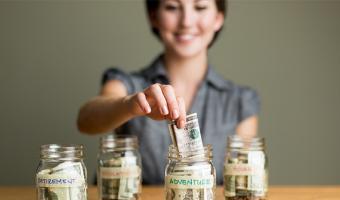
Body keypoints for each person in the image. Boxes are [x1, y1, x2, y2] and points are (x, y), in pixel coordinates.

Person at [77, 0, 260, 185]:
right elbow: (85, 120)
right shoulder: (127, 84)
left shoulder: (240, 101)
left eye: (200, 7)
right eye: (172, 7)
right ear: (154, 17)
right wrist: (131, 104)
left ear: (218, 19)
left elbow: (241, 184)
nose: (186, 21)